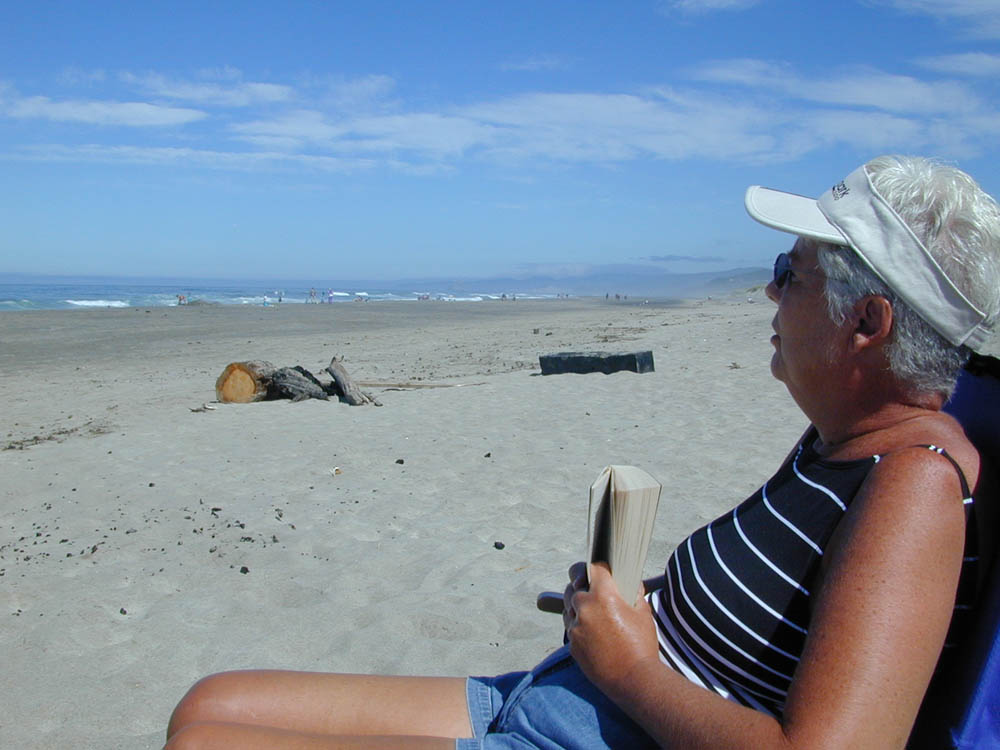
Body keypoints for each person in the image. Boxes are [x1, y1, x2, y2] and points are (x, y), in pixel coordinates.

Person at [164, 156, 1000, 749]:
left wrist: (630, 666)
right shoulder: (839, 446)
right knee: (210, 702)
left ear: (868, 325)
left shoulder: (913, 490)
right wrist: (622, 609)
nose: (770, 291)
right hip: (556, 694)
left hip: (583, 720)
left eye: (792, 272)